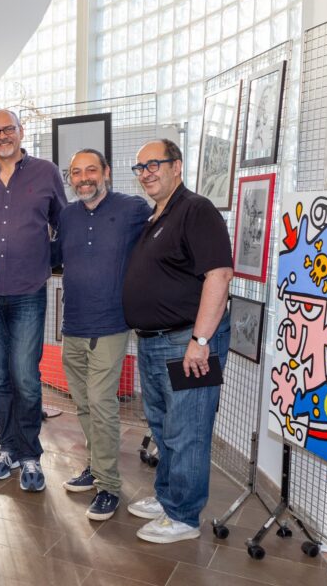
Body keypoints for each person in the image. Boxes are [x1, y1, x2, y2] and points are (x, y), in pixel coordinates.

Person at [122, 139, 233, 543]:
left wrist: (200, 340)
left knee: (188, 430)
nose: (146, 173)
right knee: (164, 427)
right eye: (140, 167)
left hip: (188, 342)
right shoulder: (157, 215)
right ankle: (168, 497)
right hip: (154, 342)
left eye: (154, 164)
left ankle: (184, 516)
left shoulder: (196, 210)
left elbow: (219, 275)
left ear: (177, 166)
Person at [0, 109, 66, 492]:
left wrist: (45, 261)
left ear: (21, 132)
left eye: (8, 129)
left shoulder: (46, 172)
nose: (2, 136)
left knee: (25, 377)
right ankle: (7, 448)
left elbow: (63, 224)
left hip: (28, 291)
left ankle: (30, 453)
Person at [57, 149, 150, 520]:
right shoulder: (67, 215)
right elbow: (53, 255)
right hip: (73, 324)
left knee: (101, 403)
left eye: (91, 170)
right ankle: (96, 467)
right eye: (76, 172)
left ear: (106, 172)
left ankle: (109, 485)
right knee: (82, 403)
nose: (84, 178)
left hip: (111, 324)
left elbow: (157, 248)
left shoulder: (132, 209)